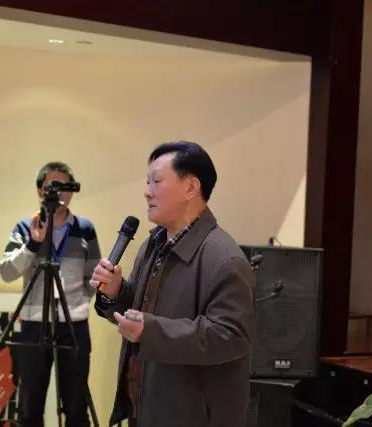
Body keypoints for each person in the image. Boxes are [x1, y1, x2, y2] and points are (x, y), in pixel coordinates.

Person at [90, 141, 255, 427]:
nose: (147, 191)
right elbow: (141, 314)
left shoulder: (224, 258)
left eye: (156, 181)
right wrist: (116, 292)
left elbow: (231, 335)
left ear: (191, 187)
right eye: (147, 182)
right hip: (146, 407)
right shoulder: (153, 244)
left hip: (193, 416)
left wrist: (150, 331)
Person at [0, 161, 100, 427]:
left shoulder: (85, 228)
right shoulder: (25, 226)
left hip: (74, 322)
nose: (59, 192)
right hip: (34, 322)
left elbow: (94, 276)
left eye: (65, 186)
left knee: (76, 406)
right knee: (30, 406)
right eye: (52, 186)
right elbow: (6, 272)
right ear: (39, 190)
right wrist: (33, 244)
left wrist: (77, 300)